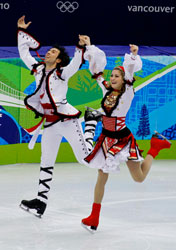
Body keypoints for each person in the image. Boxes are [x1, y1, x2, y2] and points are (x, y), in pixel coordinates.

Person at [80, 38, 172, 232]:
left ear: (124, 80)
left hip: (122, 139)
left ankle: (154, 148)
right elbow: (97, 73)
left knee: (138, 178)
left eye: (116, 76)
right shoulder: (107, 89)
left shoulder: (128, 91)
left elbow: (129, 72)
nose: (112, 78)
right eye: (112, 75)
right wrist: (89, 46)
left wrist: (133, 55)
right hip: (106, 138)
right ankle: (94, 217)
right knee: (101, 175)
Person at [17, 16, 98, 217]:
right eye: (49, 51)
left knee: (85, 159)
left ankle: (90, 125)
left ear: (59, 59)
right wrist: (21, 32)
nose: (48, 53)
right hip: (51, 125)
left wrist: (81, 47)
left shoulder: (62, 74)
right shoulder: (37, 70)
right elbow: (24, 54)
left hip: (67, 121)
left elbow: (77, 63)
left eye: (53, 52)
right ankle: (41, 202)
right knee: (46, 160)